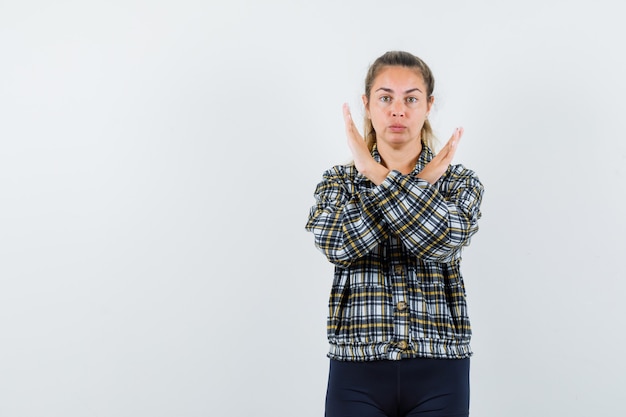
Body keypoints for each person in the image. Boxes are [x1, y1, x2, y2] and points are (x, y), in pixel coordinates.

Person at [305, 51, 484, 417]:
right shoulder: (337, 181)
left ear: (428, 105)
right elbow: (338, 245)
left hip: (440, 366)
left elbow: (442, 242)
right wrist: (417, 186)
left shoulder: (460, 183)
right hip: (356, 368)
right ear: (367, 105)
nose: (398, 110)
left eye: (411, 98)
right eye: (386, 97)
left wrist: (374, 172)